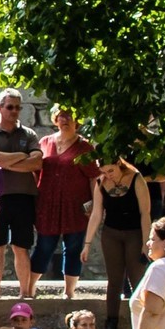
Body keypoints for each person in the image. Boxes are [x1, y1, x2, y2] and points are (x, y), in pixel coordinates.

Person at [0, 92, 41, 298]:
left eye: (17, 107)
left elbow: (37, 162)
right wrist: (21, 157)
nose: (14, 111)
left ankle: (25, 293)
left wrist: (5, 162)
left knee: (21, 247)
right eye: (10, 107)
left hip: (23, 196)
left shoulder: (28, 134)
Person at [33, 107, 98, 300]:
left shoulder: (85, 147)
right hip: (48, 205)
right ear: (55, 119)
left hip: (75, 207)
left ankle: (69, 293)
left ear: (77, 121)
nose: (65, 120)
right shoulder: (45, 142)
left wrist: (94, 206)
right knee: (43, 246)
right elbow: (35, 172)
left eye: (70, 116)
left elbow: (94, 178)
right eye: (61, 116)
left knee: (73, 248)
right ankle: (29, 289)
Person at [86, 158, 150, 329]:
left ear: (119, 165)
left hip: (134, 233)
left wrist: (146, 243)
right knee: (114, 280)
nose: (108, 175)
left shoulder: (136, 178)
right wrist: (87, 244)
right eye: (104, 172)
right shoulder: (101, 182)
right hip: (111, 233)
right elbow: (96, 214)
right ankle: (111, 320)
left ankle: (142, 321)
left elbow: (145, 213)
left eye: (111, 171)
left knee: (137, 278)